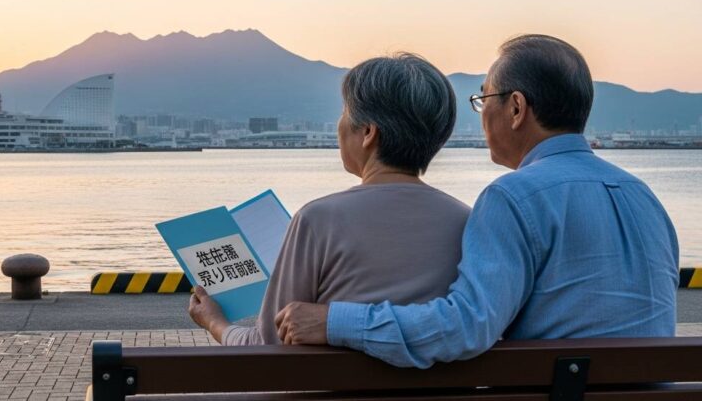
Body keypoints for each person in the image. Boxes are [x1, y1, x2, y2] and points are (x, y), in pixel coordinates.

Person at [274, 35, 680, 368]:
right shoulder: (643, 197)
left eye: (485, 98)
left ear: (516, 108)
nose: (482, 113)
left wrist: (334, 320)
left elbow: (463, 328)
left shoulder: (515, 197)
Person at [188, 53, 471, 345]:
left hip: (328, 391)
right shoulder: (466, 220)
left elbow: (268, 345)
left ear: (368, 133)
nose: (339, 125)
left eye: (345, 112)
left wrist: (215, 322)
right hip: (437, 391)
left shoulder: (318, 219)